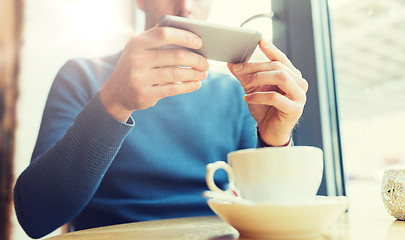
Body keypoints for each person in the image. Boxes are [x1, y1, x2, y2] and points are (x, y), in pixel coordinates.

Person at [14, 0, 308, 238]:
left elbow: (267, 215)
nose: (185, 5)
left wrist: (275, 141)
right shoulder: (82, 77)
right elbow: (36, 217)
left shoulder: (237, 94)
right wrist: (113, 103)